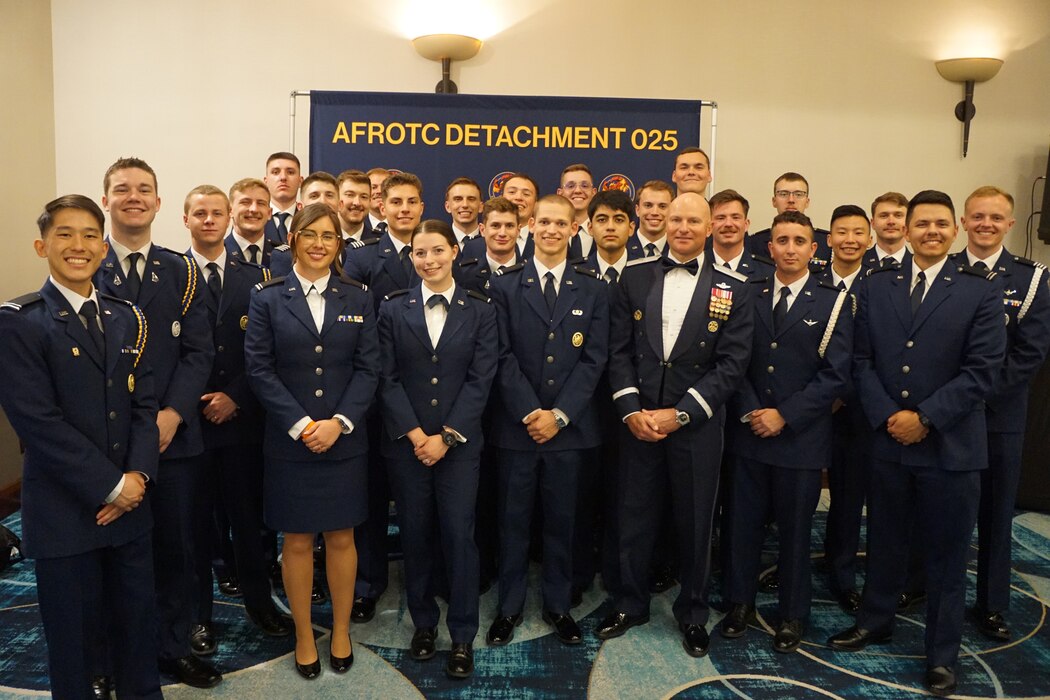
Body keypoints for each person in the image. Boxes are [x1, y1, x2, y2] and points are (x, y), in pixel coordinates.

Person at [828, 190, 1006, 697]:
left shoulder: (981, 291)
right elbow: (861, 360)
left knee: (947, 557)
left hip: (950, 449)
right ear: (905, 230)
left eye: (940, 224)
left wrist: (925, 417)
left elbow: (983, 371)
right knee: (883, 540)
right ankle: (875, 619)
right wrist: (890, 416)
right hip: (888, 442)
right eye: (921, 223)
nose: (931, 231)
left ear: (955, 232)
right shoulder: (878, 284)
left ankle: (942, 654)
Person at [0, 195, 161, 700]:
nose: (79, 245)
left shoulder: (125, 315)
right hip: (65, 512)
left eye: (90, 234)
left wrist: (137, 479)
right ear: (41, 245)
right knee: (72, 643)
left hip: (131, 505)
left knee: (137, 630)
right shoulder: (20, 322)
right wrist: (111, 486)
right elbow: (38, 422)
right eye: (65, 234)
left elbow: (144, 407)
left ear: (104, 246)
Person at [598, 192, 753, 658]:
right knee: (634, 515)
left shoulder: (735, 287)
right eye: (676, 218)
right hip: (640, 421)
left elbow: (733, 363)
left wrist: (681, 412)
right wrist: (630, 410)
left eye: (694, 220)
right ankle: (630, 602)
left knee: (694, 522)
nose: (683, 227)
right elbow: (618, 351)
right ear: (663, 220)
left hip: (696, 424)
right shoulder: (635, 275)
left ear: (710, 228)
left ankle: (692, 612)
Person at [95, 157, 220, 690]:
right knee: (111, 554)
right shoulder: (84, 262)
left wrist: (172, 413)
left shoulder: (182, 271)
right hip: (108, 442)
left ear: (159, 202)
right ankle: (106, 659)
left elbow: (199, 352)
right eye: (122, 189)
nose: (133, 197)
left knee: (177, 550)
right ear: (106, 201)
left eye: (144, 189)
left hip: (175, 437)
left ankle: (173, 647)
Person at [245, 203, 380, 679]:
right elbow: (258, 369)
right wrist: (302, 424)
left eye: (330, 236)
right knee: (297, 540)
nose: (320, 243)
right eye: (311, 234)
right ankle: (305, 633)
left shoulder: (359, 298)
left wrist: (339, 421)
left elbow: (369, 368)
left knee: (342, 537)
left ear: (339, 245)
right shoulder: (266, 298)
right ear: (294, 240)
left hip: (344, 440)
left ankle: (340, 629)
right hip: (290, 443)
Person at [721, 210, 852, 653]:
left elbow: (836, 375)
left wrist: (785, 415)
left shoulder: (834, 301)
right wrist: (754, 410)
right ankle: (738, 603)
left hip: (801, 438)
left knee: (797, 532)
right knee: (743, 525)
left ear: (814, 250)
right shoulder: (747, 293)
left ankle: (793, 614)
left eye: (800, 241)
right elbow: (732, 363)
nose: (791, 248)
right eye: (782, 240)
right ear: (769, 247)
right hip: (748, 432)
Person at [486, 194, 609, 648]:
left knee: (564, 522)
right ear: (529, 226)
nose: (552, 230)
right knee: (512, 521)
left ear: (574, 229)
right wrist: (530, 412)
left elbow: (594, 360)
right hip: (516, 428)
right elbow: (499, 355)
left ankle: (559, 606)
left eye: (561, 223)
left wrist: (558, 415)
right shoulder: (504, 285)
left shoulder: (593, 287)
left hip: (569, 431)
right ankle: (509, 607)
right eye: (544, 222)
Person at [378, 219, 498, 679]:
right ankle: (424, 623)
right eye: (419, 253)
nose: (428, 260)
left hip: (459, 447)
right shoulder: (392, 309)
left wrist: (446, 437)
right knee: (415, 534)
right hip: (408, 447)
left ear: (454, 252)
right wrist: (415, 436)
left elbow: (481, 378)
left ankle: (463, 633)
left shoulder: (481, 310)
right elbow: (385, 378)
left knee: (459, 537)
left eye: (436, 251)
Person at [183, 185, 291, 657]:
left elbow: (269, 351)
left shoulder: (259, 277)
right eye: (199, 213)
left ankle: (258, 603)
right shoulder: (171, 275)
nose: (209, 220)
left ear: (229, 219)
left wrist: (235, 396)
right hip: (188, 425)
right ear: (186, 219)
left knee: (250, 523)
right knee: (193, 528)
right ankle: (196, 617)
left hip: (243, 420)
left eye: (216, 213)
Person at [952, 186, 1050, 641]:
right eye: (977, 216)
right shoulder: (946, 271)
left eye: (995, 217)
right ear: (964, 222)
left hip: (997, 418)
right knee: (935, 509)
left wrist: (974, 396)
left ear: (1010, 224)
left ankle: (991, 604)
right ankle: (917, 585)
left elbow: (1029, 354)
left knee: (995, 513)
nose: (985, 224)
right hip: (947, 419)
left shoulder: (1033, 280)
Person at [343, 171, 426, 624]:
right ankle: (368, 583)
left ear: (421, 206)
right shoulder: (361, 258)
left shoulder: (435, 249)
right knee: (370, 502)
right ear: (382, 206)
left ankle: (426, 582)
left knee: (421, 504)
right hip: (376, 400)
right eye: (395, 202)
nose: (404, 210)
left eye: (412, 202)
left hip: (428, 399)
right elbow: (359, 328)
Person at [818, 205, 874, 614]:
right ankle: (790, 563)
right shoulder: (813, 280)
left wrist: (845, 391)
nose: (850, 239)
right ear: (829, 239)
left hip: (856, 410)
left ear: (869, 240)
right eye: (842, 232)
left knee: (849, 496)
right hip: (812, 408)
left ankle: (841, 574)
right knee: (798, 497)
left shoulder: (881, 286)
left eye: (858, 232)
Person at [746, 172, 831, 270]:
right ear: (774, 201)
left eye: (798, 194)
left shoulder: (826, 243)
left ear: (807, 202)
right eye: (783, 194)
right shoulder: (754, 243)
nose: (791, 200)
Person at [462, 172, 538, 262]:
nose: (518, 197)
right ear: (501, 197)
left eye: (526, 194)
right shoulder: (473, 247)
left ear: (536, 203)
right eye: (512, 192)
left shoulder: (544, 243)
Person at [456, 196, 521, 295]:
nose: (502, 233)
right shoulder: (464, 276)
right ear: (482, 230)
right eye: (495, 226)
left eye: (509, 226)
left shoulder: (533, 274)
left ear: (518, 230)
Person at [709, 189, 775, 279]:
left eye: (735, 217)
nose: (728, 224)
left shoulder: (768, 272)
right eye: (721, 218)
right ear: (709, 226)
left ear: (746, 224)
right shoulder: (695, 267)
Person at [226, 178, 276, 267]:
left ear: (269, 213)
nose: (254, 209)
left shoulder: (284, 255)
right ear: (230, 211)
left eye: (261, 203)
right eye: (245, 202)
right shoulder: (218, 254)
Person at [263, 152, 304, 245]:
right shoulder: (255, 217)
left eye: (290, 172)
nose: (283, 177)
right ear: (266, 181)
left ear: (300, 181)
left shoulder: (309, 219)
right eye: (275, 172)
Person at [557, 163, 597, 258]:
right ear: (560, 193)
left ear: (594, 193)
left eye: (584, 186)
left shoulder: (604, 230)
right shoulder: (550, 231)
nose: (578, 191)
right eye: (570, 186)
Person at [865, 192, 911, 269]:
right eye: (884, 216)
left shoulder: (919, 266)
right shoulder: (857, 263)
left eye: (898, 215)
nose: (891, 222)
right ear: (873, 223)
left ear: (909, 222)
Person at [632, 180, 674, 258]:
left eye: (662, 206)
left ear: (672, 211)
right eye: (648, 205)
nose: (655, 212)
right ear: (637, 210)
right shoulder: (620, 249)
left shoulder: (680, 251)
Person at [337, 169, 379, 243]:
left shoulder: (380, 243)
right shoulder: (322, 240)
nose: (357, 203)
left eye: (363, 197)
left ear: (370, 201)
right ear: (336, 198)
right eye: (350, 195)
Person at [444, 176, 483, 247]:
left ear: (481, 206)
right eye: (458, 199)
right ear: (448, 206)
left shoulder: (491, 242)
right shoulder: (440, 241)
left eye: (471, 199)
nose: (465, 205)